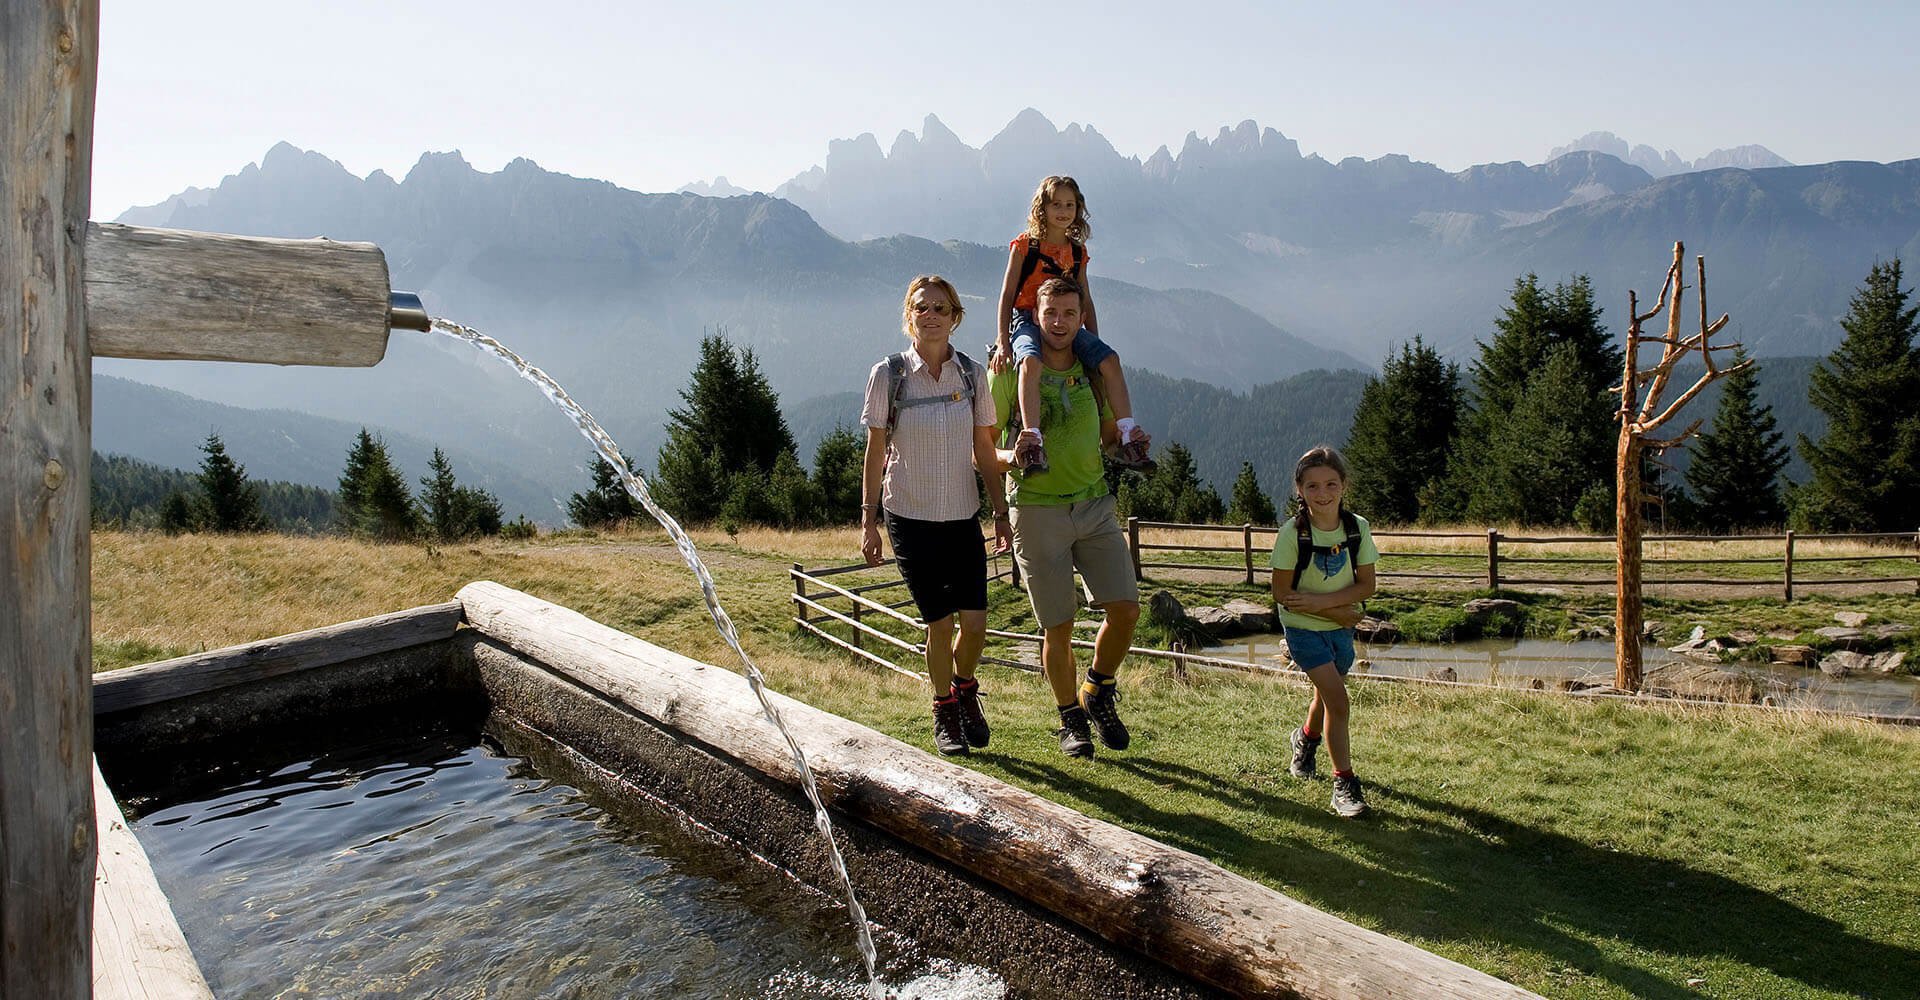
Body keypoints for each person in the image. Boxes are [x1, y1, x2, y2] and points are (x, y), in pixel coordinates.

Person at [988, 277, 1149, 759]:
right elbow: (983, 450)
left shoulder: (1093, 371)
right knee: (1058, 625)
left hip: (1095, 503)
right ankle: (1069, 718)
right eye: (1050, 313)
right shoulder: (1010, 371)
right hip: (1037, 510)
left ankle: (1097, 689)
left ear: (1082, 319)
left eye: (1069, 314)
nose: (1059, 322)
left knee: (1125, 610)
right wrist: (1011, 456)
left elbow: (1105, 436)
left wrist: (1128, 441)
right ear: (1035, 317)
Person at [861, 275, 1014, 756]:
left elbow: (985, 450)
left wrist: (1001, 512)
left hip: (962, 516)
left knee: (975, 623)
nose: (930, 316)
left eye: (940, 308)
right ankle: (945, 709)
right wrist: (869, 520)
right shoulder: (888, 375)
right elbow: (874, 451)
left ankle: (965, 688)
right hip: (909, 516)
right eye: (921, 308)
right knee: (940, 624)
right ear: (910, 315)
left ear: (955, 317)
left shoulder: (970, 375)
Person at [989, 175, 1150, 474]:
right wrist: (1003, 340)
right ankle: (1033, 438)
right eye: (1056, 204)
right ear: (1043, 208)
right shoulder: (1025, 246)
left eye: (1070, 205)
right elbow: (1007, 294)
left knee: (1110, 360)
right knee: (1031, 363)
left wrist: (1094, 342)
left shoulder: (1077, 252)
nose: (1063, 211)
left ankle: (1127, 433)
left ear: (1078, 210)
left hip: (1068, 319)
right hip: (1027, 317)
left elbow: (1085, 299)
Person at [1269, 446, 1378, 818]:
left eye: (1331, 484)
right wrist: (1328, 608)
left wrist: (1327, 609)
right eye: (1313, 486)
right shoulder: (1292, 534)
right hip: (1302, 628)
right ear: (1299, 489)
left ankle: (1306, 739)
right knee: (1338, 699)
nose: (1323, 493)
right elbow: (1282, 593)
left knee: (1325, 695)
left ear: (1344, 485)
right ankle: (1344, 784)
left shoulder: (1356, 529)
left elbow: (1367, 586)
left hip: (1340, 629)